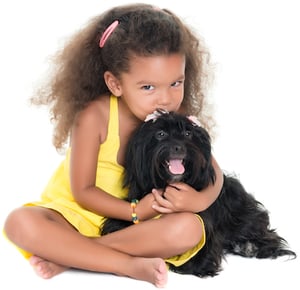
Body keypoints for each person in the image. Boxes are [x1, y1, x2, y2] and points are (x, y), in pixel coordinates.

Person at [3, 3, 223, 288]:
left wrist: (200, 200)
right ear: (115, 83)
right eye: (148, 87)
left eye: (176, 83)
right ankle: (124, 264)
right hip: (75, 217)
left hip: (135, 229)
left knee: (189, 228)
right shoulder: (95, 116)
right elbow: (83, 192)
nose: (166, 99)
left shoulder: (176, 120)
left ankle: (73, 255)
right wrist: (135, 211)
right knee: (18, 222)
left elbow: (214, 173)